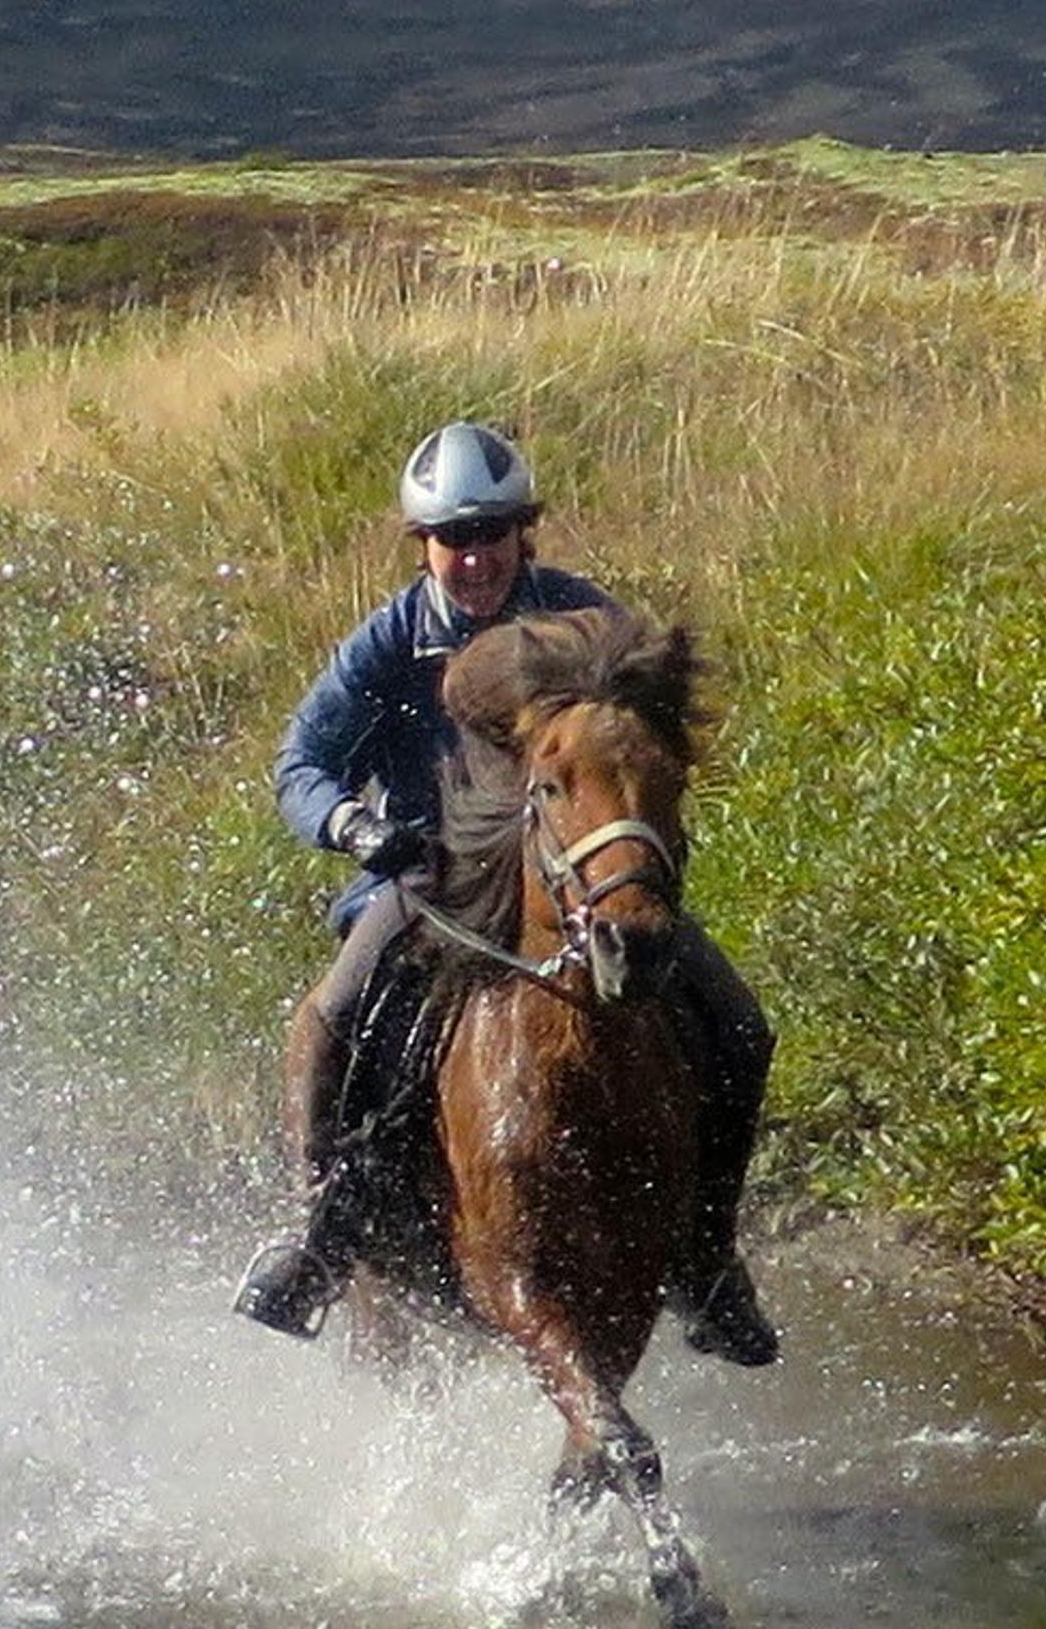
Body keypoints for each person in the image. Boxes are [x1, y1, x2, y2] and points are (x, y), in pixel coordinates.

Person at [234, 422, 778, 1365]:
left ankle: (710, 1260)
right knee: (332, 1017)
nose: (475, 556)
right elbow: (302, 762)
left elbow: (648, 737)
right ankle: (319, 1236)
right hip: (433, 887)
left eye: (493, 532)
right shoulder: (390, 643)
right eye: (455, 538)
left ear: (525, 533)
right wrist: (357, 829)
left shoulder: (585, 624)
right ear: (425, 545)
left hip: (569, 892)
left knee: (738, 1025)